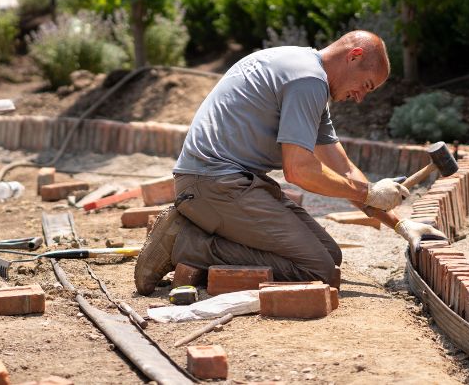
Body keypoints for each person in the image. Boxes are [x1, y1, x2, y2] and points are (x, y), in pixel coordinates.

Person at [134, 31, 445, 295]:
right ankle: (185, 242)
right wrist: (367, 193)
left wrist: (400, 224)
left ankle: (204, 230)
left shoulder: (306, 74)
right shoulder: (308, 80)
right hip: (212, 183)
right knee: (316, 267)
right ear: (354, 55)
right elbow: (298, 170)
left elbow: (344, 169)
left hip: (230, 183)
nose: (361, 97)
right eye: (366, 85)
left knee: (329, 254)